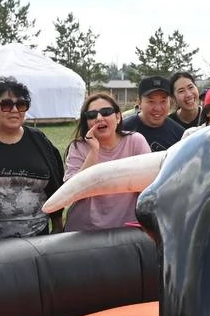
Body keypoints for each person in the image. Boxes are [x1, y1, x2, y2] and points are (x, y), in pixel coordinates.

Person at [0, 77, 65, 238]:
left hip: (37, 237)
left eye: (21, 104)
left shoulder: (39, 140)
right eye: (6, 104)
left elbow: (55, 183)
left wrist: (58, 224)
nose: (15, 110)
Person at [63, 93, 151, 232]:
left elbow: (149, 187)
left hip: (126, 229)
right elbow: (71, 193)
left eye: (106, 112)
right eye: (92, 115)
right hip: (83, 231)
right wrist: (93, 151)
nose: (99, 118)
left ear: (118, 116)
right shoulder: (78, 147)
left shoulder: (136, 141)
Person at [121, 76, 185, 152]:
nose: (157, 108)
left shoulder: (180, 134)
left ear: (170, 102)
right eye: (151, 101)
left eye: (163, 101)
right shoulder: (122, 130)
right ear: (139, 102)